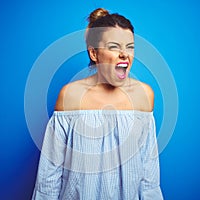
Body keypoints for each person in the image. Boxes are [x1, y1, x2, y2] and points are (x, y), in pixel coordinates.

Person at [32, 8, 163, 200]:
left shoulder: (143, 96)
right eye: (114, 47)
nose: (124, 54)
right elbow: (49, 177)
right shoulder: (70, 96)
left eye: (129, 46)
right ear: (94, 53)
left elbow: (148, 178)